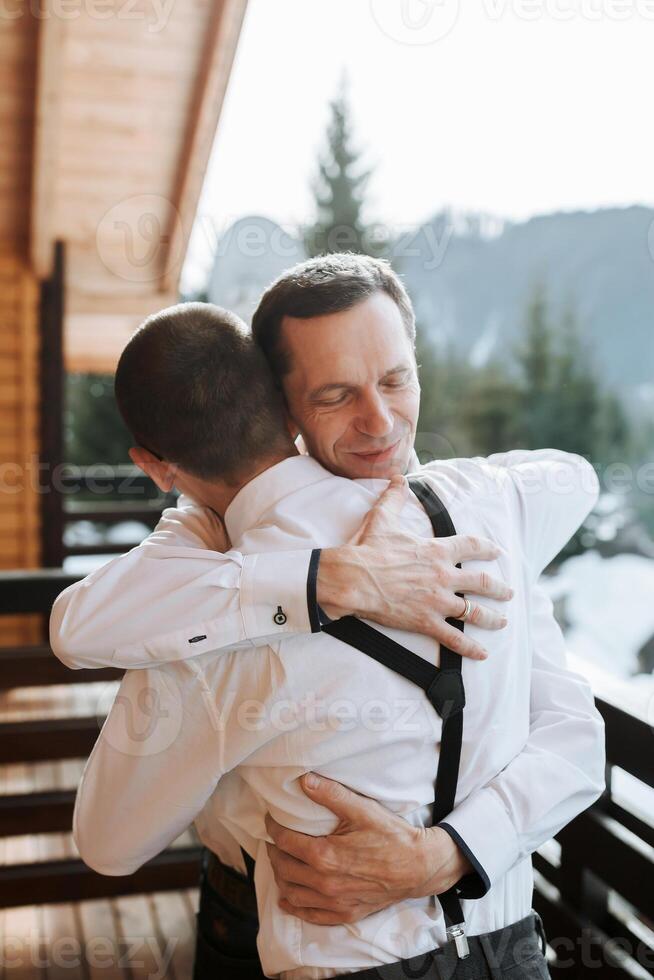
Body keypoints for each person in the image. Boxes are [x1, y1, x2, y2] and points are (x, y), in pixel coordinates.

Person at [55, 260, 604, 977]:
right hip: (325, 920)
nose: (379, 422)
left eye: (396, 379)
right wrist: (320, 577)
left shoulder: (484, 515)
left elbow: (573, 736)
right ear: (283, 412)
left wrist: (448, 854)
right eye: (337, 395)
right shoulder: (205, 558)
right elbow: (79, 624)